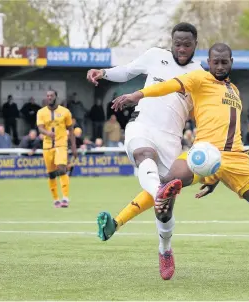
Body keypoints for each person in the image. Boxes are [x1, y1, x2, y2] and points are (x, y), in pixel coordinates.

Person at [112, 43, 249, 283]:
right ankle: (118, 221)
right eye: (216, 62)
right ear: (209, 62)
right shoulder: (199, 79)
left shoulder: (234, 90)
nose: (220, 66)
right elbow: (168, 86)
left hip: (236, 159)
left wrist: (213, 177)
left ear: (231, 62)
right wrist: (138, 94)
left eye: (224, 62)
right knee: (166, 182)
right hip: (203, 153)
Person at [86, 23, 216, 261]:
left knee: (165, 213)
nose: (182, 49)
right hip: (142, 125)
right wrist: (103, 72)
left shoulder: (201, 76)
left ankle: (165, 249)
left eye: (187, 45)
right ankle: (159, 193)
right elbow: (126, 71)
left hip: (172, 140)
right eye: (177, 44)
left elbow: (204, 114)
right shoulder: (155, 56)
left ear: (195, 44)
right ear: (171, 42)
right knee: (143, 154)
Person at [37, 90, 77, 208]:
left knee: (61, 168)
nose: (49, 98)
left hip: (61, 144)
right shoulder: (41, 112)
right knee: (51, 174)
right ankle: (56, 200)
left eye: (51, 96)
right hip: (47, 146)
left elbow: (71, 129)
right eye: (47, 96)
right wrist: (48, 133)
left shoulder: (65, 112)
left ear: (56, 97)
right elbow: (40, 128)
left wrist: (74, 146)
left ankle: (65, 198)